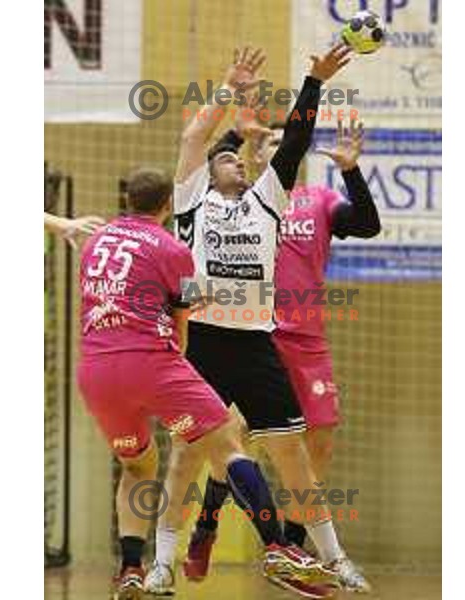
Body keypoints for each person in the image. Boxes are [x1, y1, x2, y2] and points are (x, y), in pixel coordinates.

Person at [144, 44, 355, 597]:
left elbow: (298, 142)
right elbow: (193, 138)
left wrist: (314, 80)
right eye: (227, 157)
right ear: (210, 173)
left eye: (238, 157)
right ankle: (162, 561)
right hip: (205, 345)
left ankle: (333, 559)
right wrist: (229, 90)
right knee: (186, 459)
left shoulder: (266, 201)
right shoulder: (192, 201)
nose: (235, 159)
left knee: (294, 457)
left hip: (256, 344)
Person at [77, 167, 335, 600]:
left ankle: (131, 569)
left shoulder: (94, 241)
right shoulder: (174, 248)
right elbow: (183, 322)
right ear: (167, 207)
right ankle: (277, 546)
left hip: (96, 372)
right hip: (153, 364)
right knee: (229, 444)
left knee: (139, 466)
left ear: (127, 203)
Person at [188, 116, 380, 592]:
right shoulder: (234, 202)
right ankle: (207, 524)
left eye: (284, 140)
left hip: (307, 339)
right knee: (227, 443)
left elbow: (368, 226)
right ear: (254, 152)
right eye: (267, 140)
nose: (277, 145)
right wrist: (233, 130)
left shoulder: (318, 201)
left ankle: (295, 549)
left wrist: (353, 172)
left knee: (316, 446)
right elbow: (197, 164)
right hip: (252, 336)